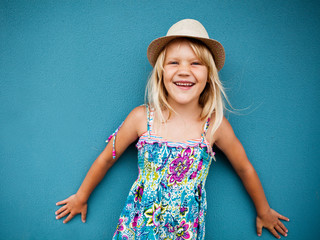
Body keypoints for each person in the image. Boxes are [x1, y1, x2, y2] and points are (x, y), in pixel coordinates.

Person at [55, 19, 289, 239]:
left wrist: (264, 211)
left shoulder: (214, 125)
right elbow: (107, 158)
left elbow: (244, 167)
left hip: (184, 230)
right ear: (161, 72)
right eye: (174, 62)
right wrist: (81, 197)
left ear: (208, 75)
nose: (184, 70)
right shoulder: (141, 118)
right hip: (138, 227)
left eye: (195, 63)